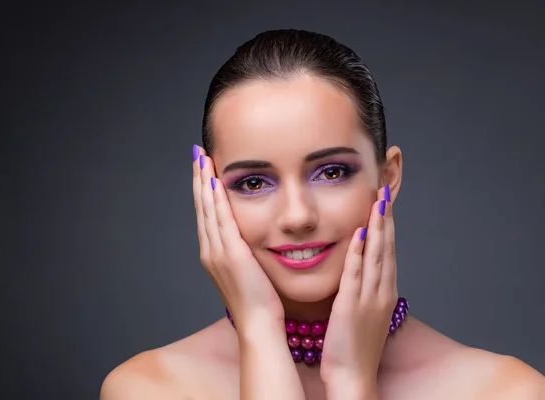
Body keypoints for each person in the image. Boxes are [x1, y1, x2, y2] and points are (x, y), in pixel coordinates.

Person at [100, 29, 544, 399]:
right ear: (210, 191)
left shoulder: (507, 391)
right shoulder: (148, 388)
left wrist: (353, 383)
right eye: (253, 182)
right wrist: (260, 333)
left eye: (331, 172)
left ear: (387, 178)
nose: (297, 216)